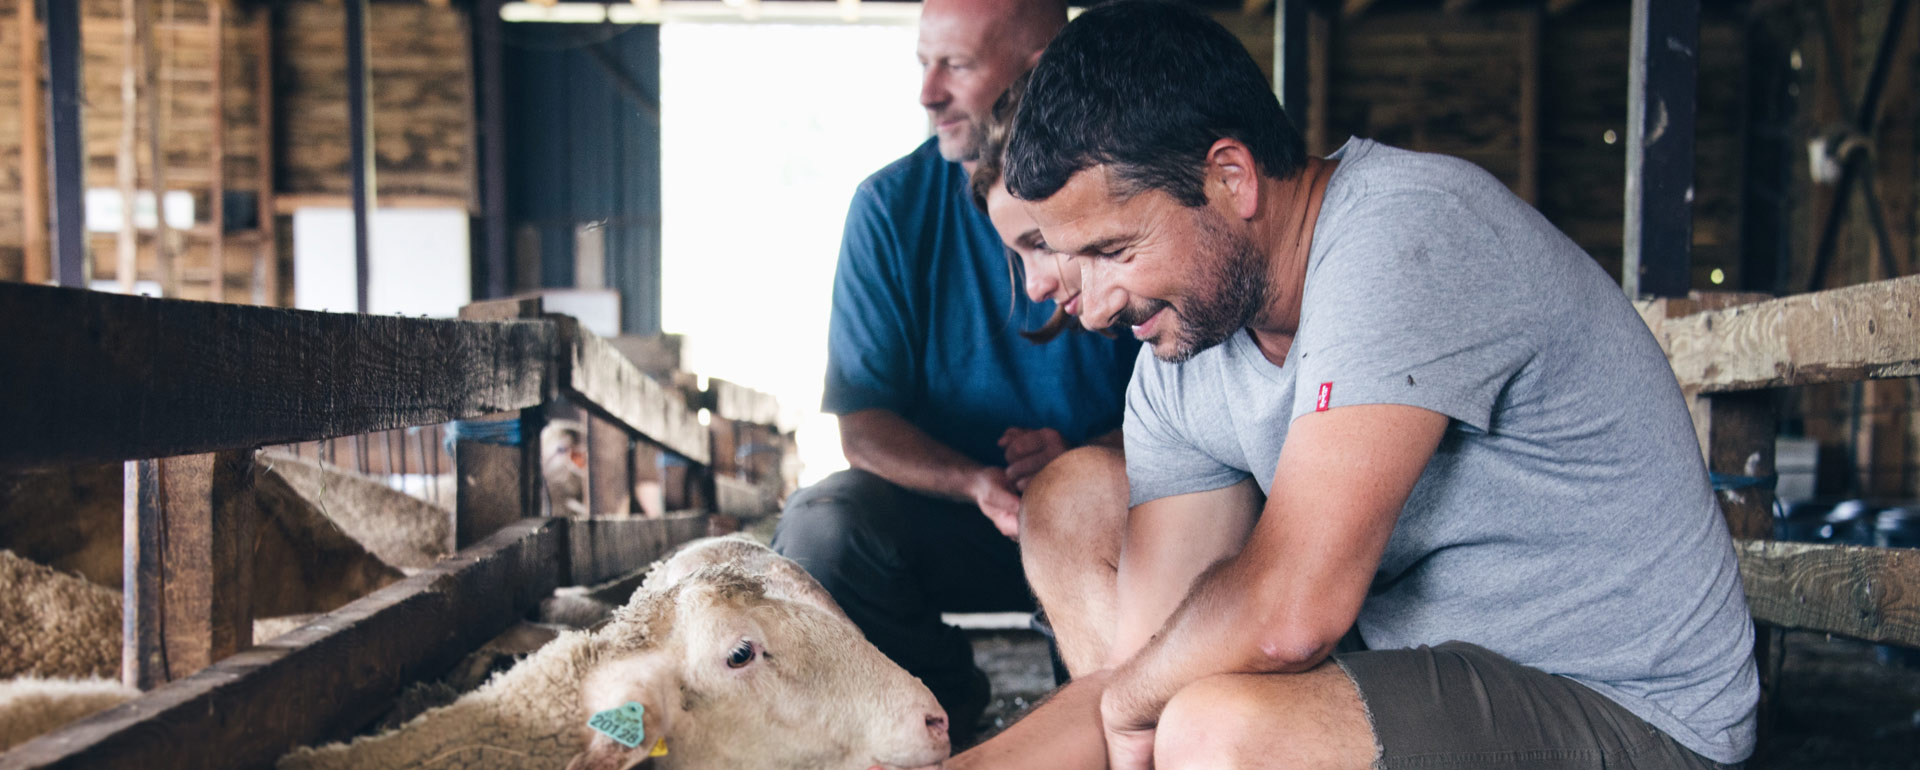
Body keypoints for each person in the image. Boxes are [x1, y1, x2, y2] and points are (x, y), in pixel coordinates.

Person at [952, 3, 1761, 769]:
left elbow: (1289, 613)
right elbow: (1136, 672)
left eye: (1114, 251)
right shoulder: (1182, 356)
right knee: (1170, 683)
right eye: (1070, 259)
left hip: (1632, 715)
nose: (1088, 307)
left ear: (1231, 177)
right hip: (1440, 689)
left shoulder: (1405, 234)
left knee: (1215, 733)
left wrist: (1135, 707)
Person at [769, 0, 1139, 744]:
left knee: (1122, 511)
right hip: (961, 521)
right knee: (819, 531)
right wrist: (974, 482)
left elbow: (1196, 387)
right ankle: (939, 702)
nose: (927, 92)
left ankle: (1103, 712)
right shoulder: (889, 205)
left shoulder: (1132, 187)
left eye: (958, 65)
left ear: (1036, 71)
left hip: (1121, 505)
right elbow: (863, 421)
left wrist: (1092, 456)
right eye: (923, 62)